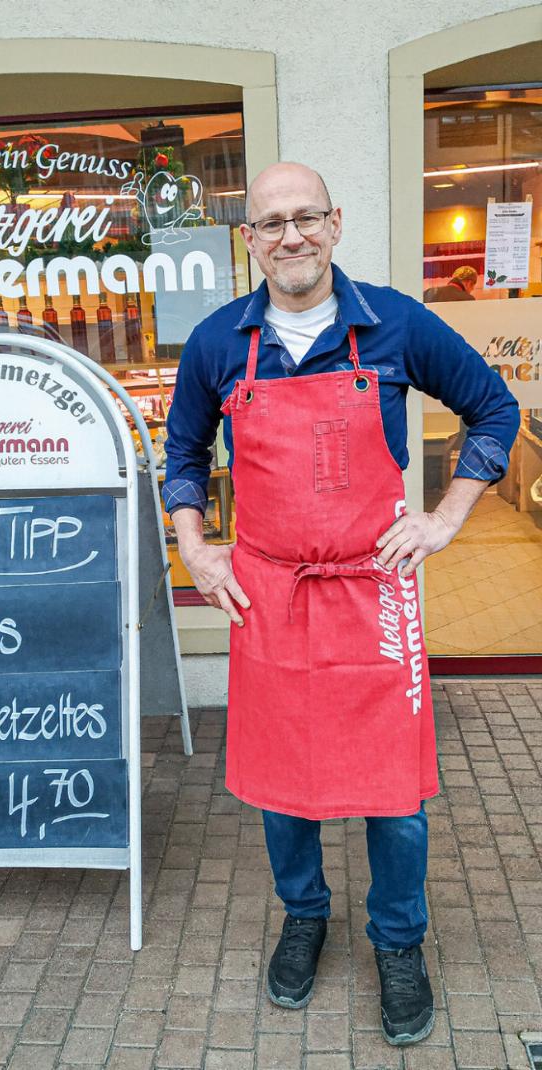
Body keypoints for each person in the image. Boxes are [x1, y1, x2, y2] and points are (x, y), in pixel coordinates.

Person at [162, 163, 519, 1048]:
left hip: (374, 591)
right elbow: (181, 452)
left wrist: (443, 519)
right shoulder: (217, 342)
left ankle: (399, 943)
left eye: (306, 217)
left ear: (336, 223)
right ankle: (305, 916)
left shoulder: (393, 321)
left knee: (395, 796)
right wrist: (195, 546)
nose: (291, 235)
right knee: (285, 787)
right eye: (271, 222)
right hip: (269, 590)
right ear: (250, 238)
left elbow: (494, 411)